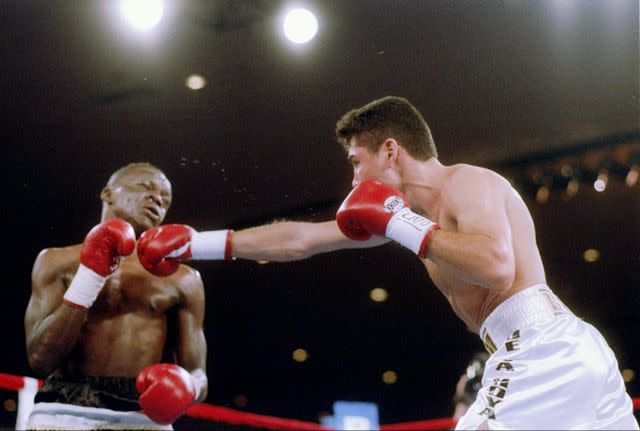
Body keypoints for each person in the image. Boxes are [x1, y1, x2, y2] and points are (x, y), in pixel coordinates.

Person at [136, 96, 639, 430]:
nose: (354, 180)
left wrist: (399, 223)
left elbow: (497, 266)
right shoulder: (404, 217)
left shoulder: (467, 183)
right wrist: (197, 243)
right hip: (552, 352)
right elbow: (301, 239)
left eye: (356, 160)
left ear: (391, 150)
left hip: (542, 347)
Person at [24, 162, 208, 430]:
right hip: (61, 408)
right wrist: (88, 278)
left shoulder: (184, 278)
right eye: (146, 187)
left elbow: (198, 373)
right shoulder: (55, 261)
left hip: (142, 415)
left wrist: (188, 387)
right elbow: (40, 360)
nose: (156, 198)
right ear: (107, 193)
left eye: (164, 198)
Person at [452, 352, 489, 423]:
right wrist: (461, 395)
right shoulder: (467, 384)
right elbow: (456, 420)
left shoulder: (496, 385)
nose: (477, 384)